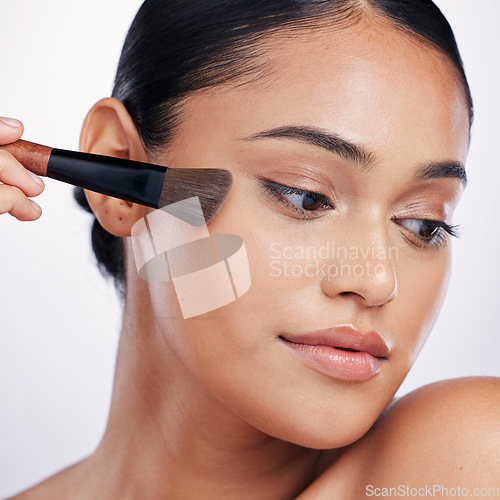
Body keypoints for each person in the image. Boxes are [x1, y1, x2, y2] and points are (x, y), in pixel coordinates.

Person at [1, 0, 499, 498]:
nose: (376, 281)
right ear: (120, 167)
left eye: (424, 224)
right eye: (305, 195)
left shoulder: (469, 461)